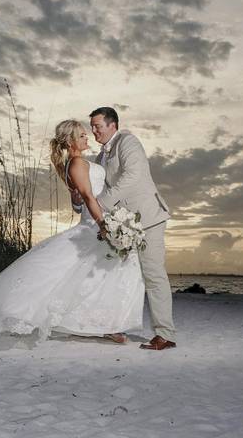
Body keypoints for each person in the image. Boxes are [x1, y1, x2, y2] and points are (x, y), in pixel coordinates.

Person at [0, 119, 144, 348]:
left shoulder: (80, 162)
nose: (87, 138)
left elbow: (82, 197)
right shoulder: (76, 164)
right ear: (72, 140)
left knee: (101, 273)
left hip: (103, 219)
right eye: (82, 135)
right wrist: (103, 224)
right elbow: (89, 198)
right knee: (77, 273)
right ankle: (104, 327)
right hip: (95, 223)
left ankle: (106, 325)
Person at [88, 107, 176, 350]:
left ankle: (165, 334)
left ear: (112, 125)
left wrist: (101, 203)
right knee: (117, 273)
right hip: (123, 223)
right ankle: (113, 325)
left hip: (149, 218)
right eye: (92, 127)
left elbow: (133, 176)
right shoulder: (100, 157)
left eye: (98, 126)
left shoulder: (128, 142)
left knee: (153, 274)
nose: (94, 131)